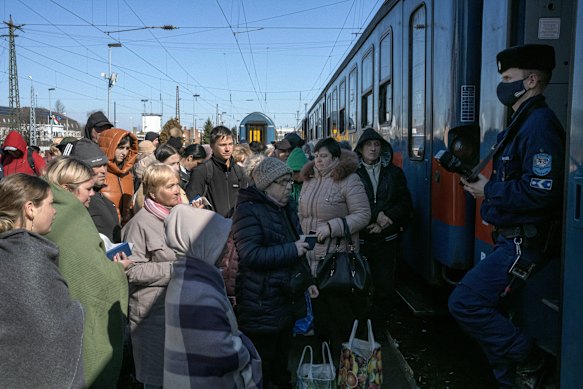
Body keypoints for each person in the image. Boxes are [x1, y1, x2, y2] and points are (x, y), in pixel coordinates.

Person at [448, 44, 565, 389]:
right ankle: (510, 380)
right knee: (498, 313)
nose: (502, 85)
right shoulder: (522, 123)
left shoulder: (539, 125)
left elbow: (542, 191)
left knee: (466, 302)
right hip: (511, 238)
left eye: (507, 78)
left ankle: (532, 358)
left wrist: (489, 191)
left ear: (530, 81)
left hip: (522, 244)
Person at [43, 166, 130, 388]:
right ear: (67, 189)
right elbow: (93, 277)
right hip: (76, 325)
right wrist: (118, 269)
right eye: (88, 189)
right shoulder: (71, 219)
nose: (93, 194)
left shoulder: (51, 211)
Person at [232, 157, 313, 389]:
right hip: (261, 302)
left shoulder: (285, 207)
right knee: (262, 364)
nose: (289, 186)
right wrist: (292, 249)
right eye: (283, 182)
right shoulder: (248, 210)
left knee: (281, 359)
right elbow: (251, 255)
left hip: (284, 298)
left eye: (290, 181)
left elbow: (297, 245)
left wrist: (308, 280)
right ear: (266, 185)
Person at [164, 205, 263, 388]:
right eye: (218, 242)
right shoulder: (198, 291)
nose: (226, 250)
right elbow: (221, 352)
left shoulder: (186, 277)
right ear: (202, 243)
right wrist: (244, 348)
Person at [0, 174, 84, 389]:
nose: (54, 211)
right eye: (50, 204)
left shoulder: (10, 250)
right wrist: (77, 311)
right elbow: (51, 330)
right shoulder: (28, 256)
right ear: (30, 209)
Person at [298, 137, 370, 360]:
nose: (318, 160)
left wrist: (333, 226)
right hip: (311, 257)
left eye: (324, 156)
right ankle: (323, 365)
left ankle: (344, 365)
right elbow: (303, 215)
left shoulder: (349, 180)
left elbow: (363, 215)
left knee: (339, 316)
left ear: (336, 158)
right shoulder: (309, 180)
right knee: (319, 317)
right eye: (316, 156)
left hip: (336, 259)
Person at [122, 163, 183, 388]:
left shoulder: (177, 218)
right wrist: (175, 269)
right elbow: (131, 269)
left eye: (177, 184)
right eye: (170, 186)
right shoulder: (139, 224)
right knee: (156, 381)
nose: (177, 190)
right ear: (153, 193)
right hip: (151, 316)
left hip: (175, 311)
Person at [354, 127, 413, 339]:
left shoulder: (394, 173)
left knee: (384, 287)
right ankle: (360, 329)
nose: (373, 148)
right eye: (368, 144)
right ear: (360, 149)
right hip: (360, 239)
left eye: (377, 144)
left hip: (386, 238)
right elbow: (350, 202)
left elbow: (405, 202)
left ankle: (378, 330)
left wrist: (387, 219)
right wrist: (375, 216)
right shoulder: (353, 174)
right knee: (360, 286)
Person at [185, 126, 248, 217]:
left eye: (230, 144)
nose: (227, 149)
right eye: (222, 145)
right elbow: (191, 201)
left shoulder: (240, 172)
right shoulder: (202, 172)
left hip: (236, 227)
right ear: (212, 145)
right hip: (211, 226)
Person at [69, 138, 122, 242]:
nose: (103, 170)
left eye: (105, 165)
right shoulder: (80, 200)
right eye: (97, 165)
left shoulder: (99, 195)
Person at [99, 128, 139, 225]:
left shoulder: (128, 175)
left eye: (127, 148)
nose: (124, 153)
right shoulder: (99, 174)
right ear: (110, 147)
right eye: (120, 148)